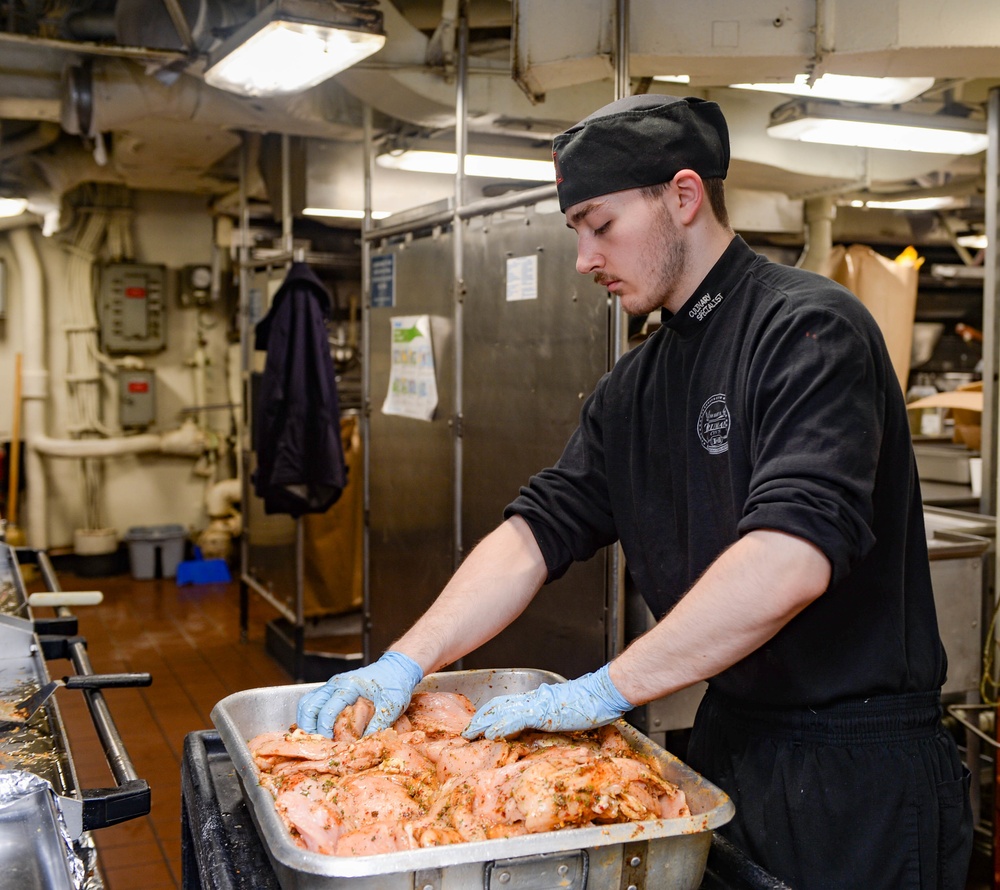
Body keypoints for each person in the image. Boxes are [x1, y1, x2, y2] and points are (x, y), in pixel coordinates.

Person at [297, 94, 973, 889]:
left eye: (599, 224)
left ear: (683, 196)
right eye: (575, 232)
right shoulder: (638, 385)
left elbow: (790, 560)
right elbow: (535, 533)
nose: (584, 258)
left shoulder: (808, 331)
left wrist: (602, 690)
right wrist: (406, 659)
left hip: (855, 777)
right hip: (732, 743)